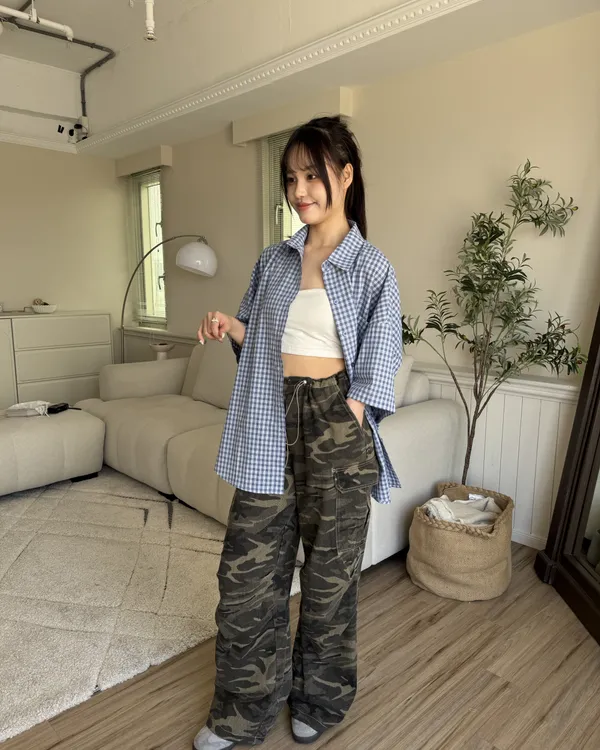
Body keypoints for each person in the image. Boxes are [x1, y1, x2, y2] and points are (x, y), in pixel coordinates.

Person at [193, 115, 402, 749]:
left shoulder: (371, 267)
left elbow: (382, 355)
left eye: (313, 175)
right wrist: (230, 325)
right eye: (290, 178)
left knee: (329, 578)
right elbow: (260, 343)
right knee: (247, 574)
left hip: (336, 419)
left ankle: (320, 698)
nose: (300, 190)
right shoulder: (274, 260)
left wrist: (352, 412)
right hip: (269, 414)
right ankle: (242, 711)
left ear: (346, 175)